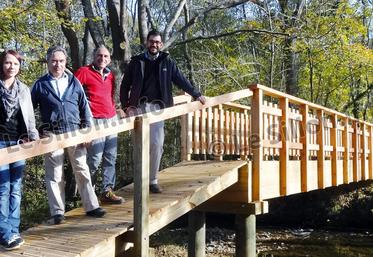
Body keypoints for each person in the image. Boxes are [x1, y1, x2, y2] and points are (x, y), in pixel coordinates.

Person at [120, 30, 206, 193]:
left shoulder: (167, 62)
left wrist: (196, 94)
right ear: (147, 42)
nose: (154, 44)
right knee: (140, 145)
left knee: (157, 144)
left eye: (158, 42)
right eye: (152, 41)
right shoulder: (137, 61)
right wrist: (126, 107)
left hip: (158, 108)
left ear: (161, 44)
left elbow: (181, 80)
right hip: (138, 107)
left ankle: (152, 180)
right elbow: (125, 86)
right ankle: (140, 179)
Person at [31, 46, 106, 225]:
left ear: (66, 62)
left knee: (82, 169)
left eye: (61, 61)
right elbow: (28, 110)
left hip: (75, 132)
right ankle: (57, 212)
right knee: (55, 174)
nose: (58, 64)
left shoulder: (74, 82)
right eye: (54, 61)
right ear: (48, 62)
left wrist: (88, 131)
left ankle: (91, 206)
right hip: (52, 134)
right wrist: (35, 131)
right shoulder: (40, 84)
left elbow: (85, 108)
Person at [75, 45, 124, 204]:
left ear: (109, 59)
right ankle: (88, 194)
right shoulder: (84, 72)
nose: (102, 59)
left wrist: (118, 109)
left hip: (111, 119)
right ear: (94, 56)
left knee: (111, 157)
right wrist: (81, 121)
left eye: (105, 56)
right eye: (99, 55)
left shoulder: (111, 75)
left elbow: (112, 95)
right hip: (94, 120)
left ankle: (107, 191)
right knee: (94, 160)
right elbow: (73, 94)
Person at [0, 50, 39, 250]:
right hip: (0, 143)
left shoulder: (23, 89)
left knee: (16, 187)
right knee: (3, 189)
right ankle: (4, 232)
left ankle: (13, 229)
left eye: (15, 63)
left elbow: (30, 117)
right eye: (8, 63)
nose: (11, 67)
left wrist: (32, 138)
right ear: (2, 64)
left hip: (18, 142)